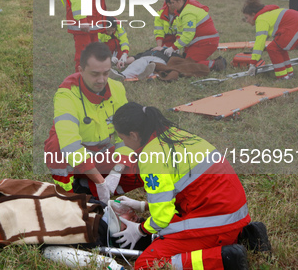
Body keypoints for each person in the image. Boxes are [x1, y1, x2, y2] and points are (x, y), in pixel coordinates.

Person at [111, 102, 271, 269]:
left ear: (134, 135)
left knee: (147, 264)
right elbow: (188, 191)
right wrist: (142, 206)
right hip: (233, 214)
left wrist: (140, 230)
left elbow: (161, 219)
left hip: (216, 221)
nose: (125, 145)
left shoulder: (151, 157)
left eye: (123, 139)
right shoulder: (174, 135)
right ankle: (246, 236)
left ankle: (224, 258)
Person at [44, 42, 141, 204]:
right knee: (56, 146)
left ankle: (88, 189)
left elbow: (124, 136)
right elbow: (70, 145)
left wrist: (117, 171)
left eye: (106, 73)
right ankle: (67, 194)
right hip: (75, 159)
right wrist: (100, 180)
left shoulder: (117, 89)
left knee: (139, 165)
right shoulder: (66, 95)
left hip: (101, 153)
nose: (101, 80)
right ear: (81, 71)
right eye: (95, 74)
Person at [242, 0, 298, 80]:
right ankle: (289, 73)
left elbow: (260, 42)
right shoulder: (268, 14)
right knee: (279, 47)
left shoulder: (261, 19)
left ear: (253, 14)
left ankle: (282, 77)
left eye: (246, 18)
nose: (247, 21)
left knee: (273, 48)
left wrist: (253, 63)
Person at [161, 0, 226, 71]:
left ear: (180, 1)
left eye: (173, 2)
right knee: (184, 58)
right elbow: (181, 31)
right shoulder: (183, 10)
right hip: (201, 42)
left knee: (188, 64)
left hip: (206, 43)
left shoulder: (188, 13)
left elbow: (188, 35)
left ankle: (216, 64)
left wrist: (173, 47)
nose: (172, 5)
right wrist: (177, 46)